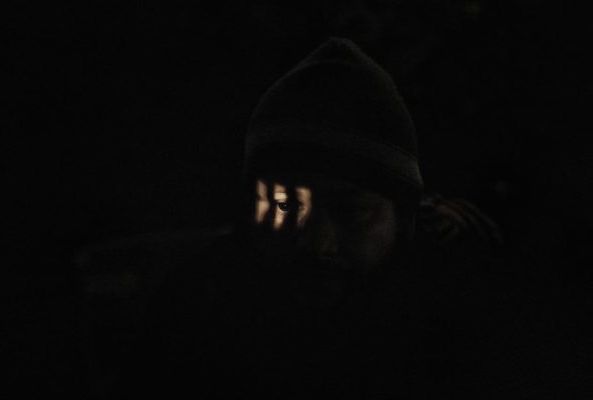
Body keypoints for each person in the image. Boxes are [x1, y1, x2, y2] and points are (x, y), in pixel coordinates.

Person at [110, 38, 549, 399]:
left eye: (352, 212)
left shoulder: (449, 310)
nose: (316, 243)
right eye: (283, 207)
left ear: (405, 219)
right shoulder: (195, 316)